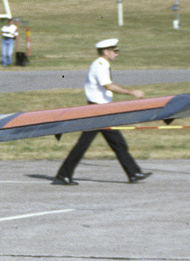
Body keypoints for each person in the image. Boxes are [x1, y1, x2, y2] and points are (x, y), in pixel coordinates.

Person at [53, 38, 152, 185]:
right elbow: (109, 86)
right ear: (106, 52)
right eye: (114, 51)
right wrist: (132, 92)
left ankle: (134, 173)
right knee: (85, 145)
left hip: (102, 110)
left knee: (117, 143)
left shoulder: (102, 64)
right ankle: (63, 175)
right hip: (97, 111)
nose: (116, 54)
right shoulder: (100, 65)